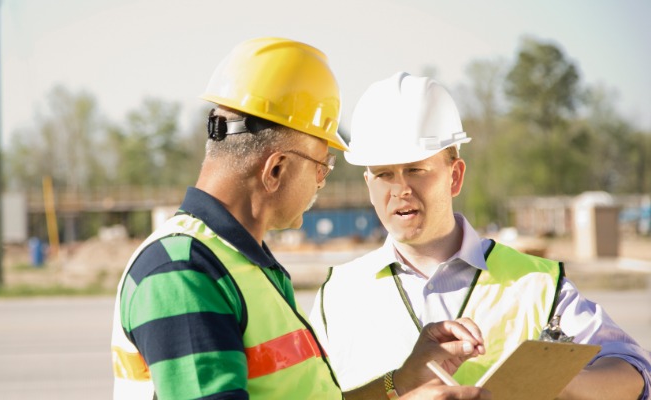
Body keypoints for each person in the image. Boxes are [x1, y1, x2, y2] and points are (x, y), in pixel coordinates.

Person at [111, 39, 491, 399]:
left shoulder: (243, 266)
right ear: (276, 169)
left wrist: (403, 382)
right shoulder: (183, 272)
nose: (323, 180)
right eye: (322, 165)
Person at [310, 71, 651, 399]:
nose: (400, 189)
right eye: (384, 174)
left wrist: (553, 381)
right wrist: (394, 388)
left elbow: (634, 373)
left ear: (454, 177)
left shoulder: (535, 283)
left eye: (416, 170)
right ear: (368, 185)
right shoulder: (336, 296)